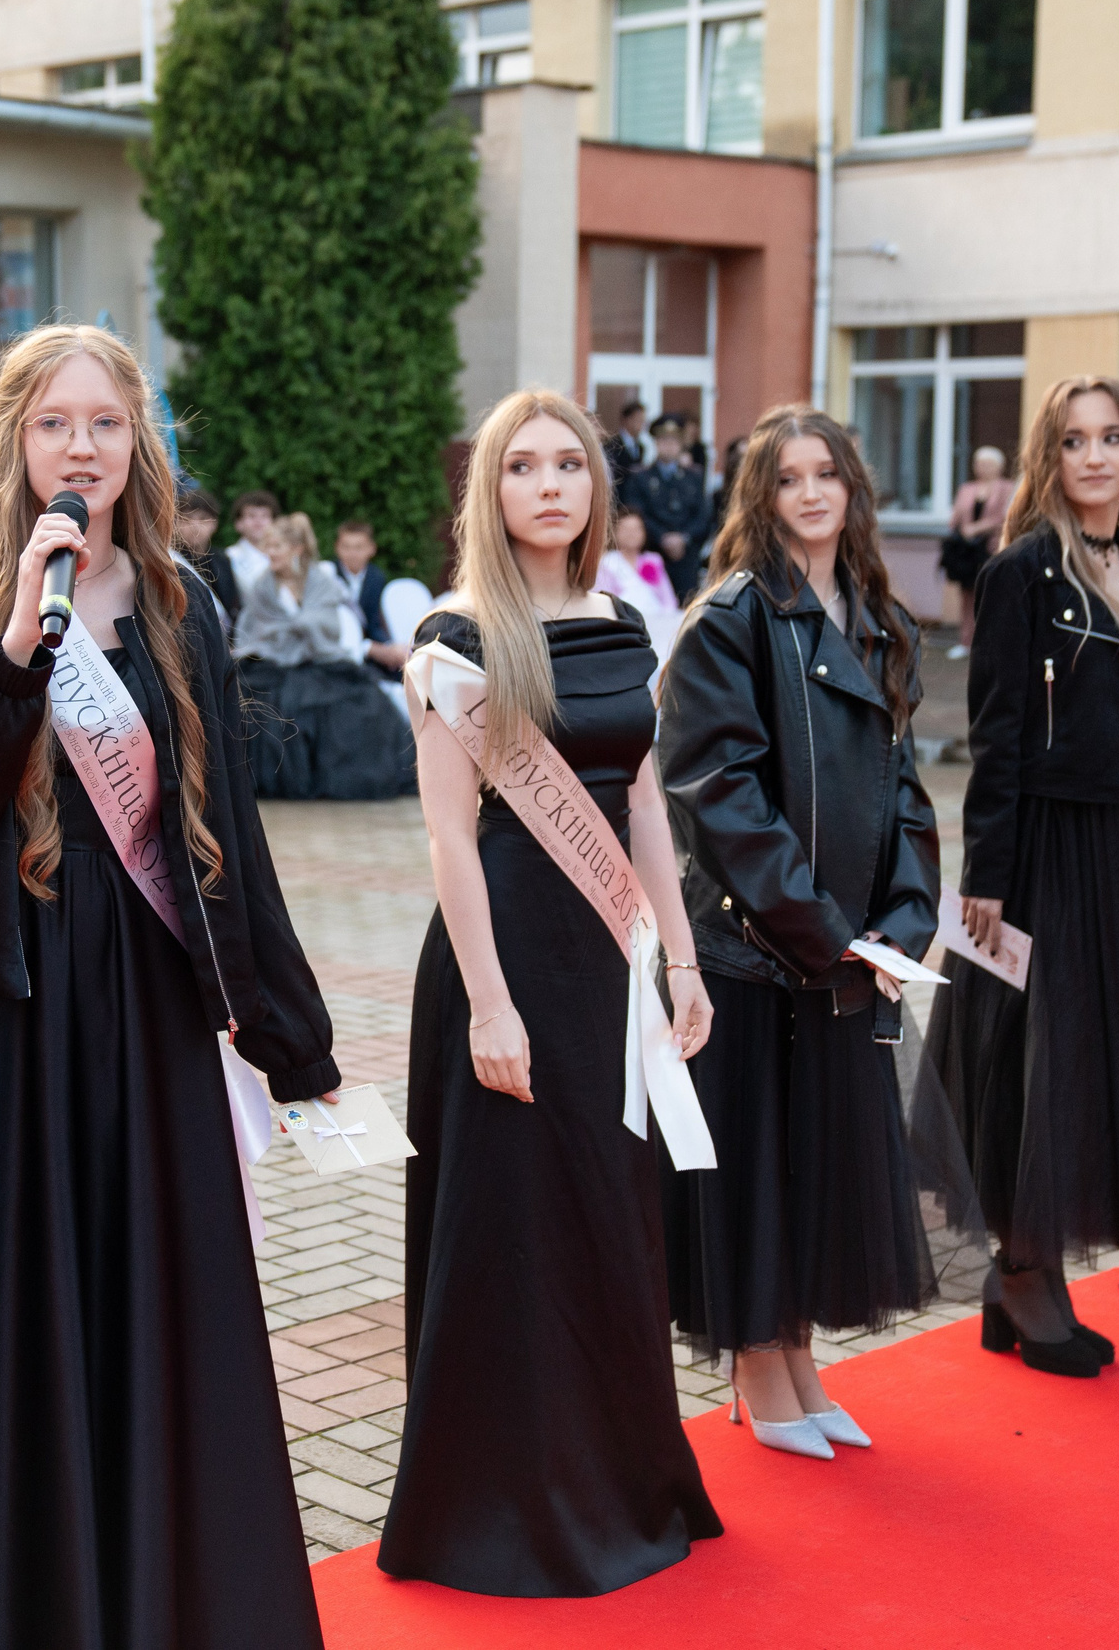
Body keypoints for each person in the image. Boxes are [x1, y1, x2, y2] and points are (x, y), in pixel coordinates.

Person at [0, 323, 334, 1650]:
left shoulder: (180, 602)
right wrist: (16, 644)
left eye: (105, 421)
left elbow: (230, 836)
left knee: (148, 1317)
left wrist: (293, 1038)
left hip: (145, 1016)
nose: (81, 445)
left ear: (135, 442)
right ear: (12, 444)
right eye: (54, 423)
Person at [381, 388, 719, 1597]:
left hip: (611, 965)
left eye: (567, 464)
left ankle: (622, 1472)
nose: (547, 485)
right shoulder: (456, 634)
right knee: (515, 1229)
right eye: (520, 466)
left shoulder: (625, 621)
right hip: (506, 957)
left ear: (595, 486)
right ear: (491, 490)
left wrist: (681, 961)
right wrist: (487, 1001)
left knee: (610, 1216)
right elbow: (449, 840)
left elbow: (640, 805)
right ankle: (504, 1504)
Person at [656, 405, 963, 1458]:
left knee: (816, 1168)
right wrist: (823, 929)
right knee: (756, 1169)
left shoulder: (878, 614)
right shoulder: (729, 618)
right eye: (787, 478)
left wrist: (903, 921)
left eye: (826, 472)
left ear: (852, 488)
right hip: (754, 953)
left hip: (843, 957)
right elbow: (717, 793)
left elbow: (907, 792)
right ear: (761, 497)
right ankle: (756, 1369)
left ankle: (797, 1364)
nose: (811, 493)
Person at [922, 374, 1119, 1378]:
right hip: (1042, 851)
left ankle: (1027, 1276)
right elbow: (996, 734)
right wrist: (989, 878)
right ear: (1048, 461)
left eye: (1110, 439)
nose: (1093, 457)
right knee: (1031, 1067)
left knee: (1090, 1062)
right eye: (1072, 441)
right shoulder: (1018, 574)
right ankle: (1021, 1273)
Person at [233, 513, 417, 800]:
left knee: (357, 707)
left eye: (277, 547)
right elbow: (259, 629)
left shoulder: (320, 581)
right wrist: (293, 629)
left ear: (296, 549)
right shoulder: (262, 586)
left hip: (320, 660)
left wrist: (301, 625)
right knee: (266, 708)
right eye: (268, 547)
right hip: (274, 663)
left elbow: (326, 625)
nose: (271, 553)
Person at [626, 414, 712, 602]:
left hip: (686, 559)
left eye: (674, 441)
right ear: (655, 442)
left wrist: (683, 538)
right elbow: (638, 516)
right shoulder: (641, 477)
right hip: (653, 555)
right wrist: (663, 538)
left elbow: (703, 516)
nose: (668, 445)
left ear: (681, 444)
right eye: (663, 440)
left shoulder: (694, 476)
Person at [941, 445, 1012, 658]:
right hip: (968, 553)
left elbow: (1006, 516)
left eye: (988, 464)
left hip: (994, 549)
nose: (983, 468)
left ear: (999, 467)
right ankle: (966, 641)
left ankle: (994, 642)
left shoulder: (1007, 488)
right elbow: (956, 517)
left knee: (994, 594)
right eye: (979, 463)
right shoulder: (967, 489)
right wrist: (960, 528)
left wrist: (977, 528)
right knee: (967, 594)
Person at [593, 506, 681, 672]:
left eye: (636, 529)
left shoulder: (653, 560)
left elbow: (668, 598)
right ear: (615, 532)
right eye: (626, 529)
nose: (631, 534)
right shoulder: (607, 563)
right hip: (625, 628)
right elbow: (603, 599)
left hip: (657, 625)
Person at [324, 517, 409, 676]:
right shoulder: (328, 575)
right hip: (339, 648)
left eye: (359, 547)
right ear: (337, 548)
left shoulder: (376, 577)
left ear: (371, 549)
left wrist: (388, 647)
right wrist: (369, 648)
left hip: (370, 650)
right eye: (346, 547)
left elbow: (374, 622)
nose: (352, 553)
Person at [174, 484, 241, 634]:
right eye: (187, 519)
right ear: (176, 523)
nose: (195, 526)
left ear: (214, 523)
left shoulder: (223, 560)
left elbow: (233, 606)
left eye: (203, 519)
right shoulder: (172, 559)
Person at [224, 487, 281, 605]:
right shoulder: (229, 556)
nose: (258, 521)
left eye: (264, 516)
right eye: (251, 516)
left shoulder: (285, 555)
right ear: (238, 523)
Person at [606, 399, 650, 490]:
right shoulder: (613, 444)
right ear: (628, 420)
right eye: (639, 420)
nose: (642, 425)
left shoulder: (641, 447)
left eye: (643, 421)